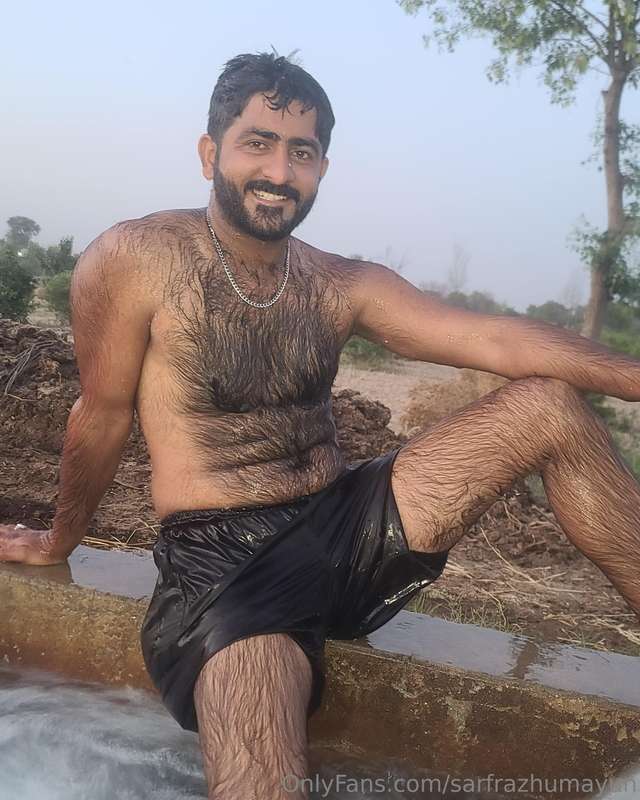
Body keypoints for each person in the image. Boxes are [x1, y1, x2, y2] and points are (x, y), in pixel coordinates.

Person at [1, 52, 639, 799]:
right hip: (227, 567)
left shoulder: (338, 283)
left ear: (321, 169)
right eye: (258, 143)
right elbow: (102, 415)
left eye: (301, 152)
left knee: (548, 408)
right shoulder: (138, 258)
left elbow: (495, 340)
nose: (279, 171)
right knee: (263, 783)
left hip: (347, 528)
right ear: (210, 153)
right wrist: (59, 540)